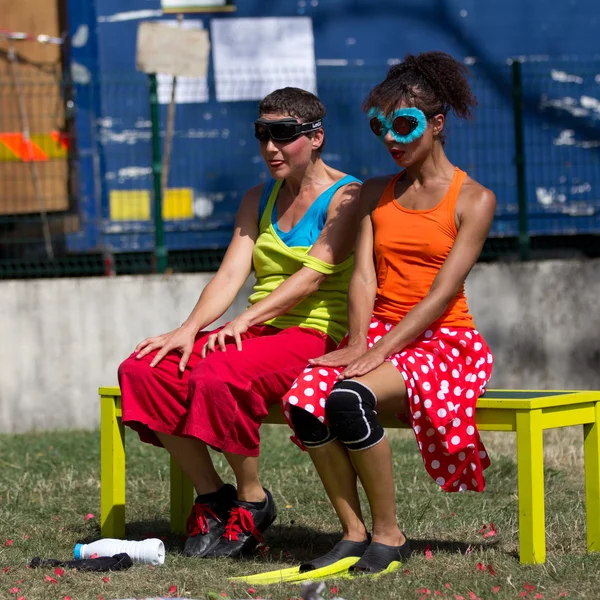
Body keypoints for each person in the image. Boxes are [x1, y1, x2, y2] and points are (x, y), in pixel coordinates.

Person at [118, 87, 361, 559]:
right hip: (259, 330)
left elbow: (311, 279)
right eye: (262, 134)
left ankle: (253, 500)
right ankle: (213, 498)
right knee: (144, 369)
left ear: (316, 137)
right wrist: (187, 329)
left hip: (316, 333)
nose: (271, 147)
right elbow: (230, 274)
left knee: (218, 375)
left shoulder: (347, 196)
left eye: (284, 134)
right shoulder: (259, 197)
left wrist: (244, 319)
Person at [281, 52, 496, 575]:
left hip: (443, 343)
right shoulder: (378, 192)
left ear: (437, 124)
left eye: (404, 125)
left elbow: (441, 297)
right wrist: (358, 340)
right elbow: (363, 276)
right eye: (382, 127)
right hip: (380, 334)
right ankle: (353, 533)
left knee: (350, 397)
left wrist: (377, 350)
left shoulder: (474, 199)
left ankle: (388, 534)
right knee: (305, 398)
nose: (392, 139)